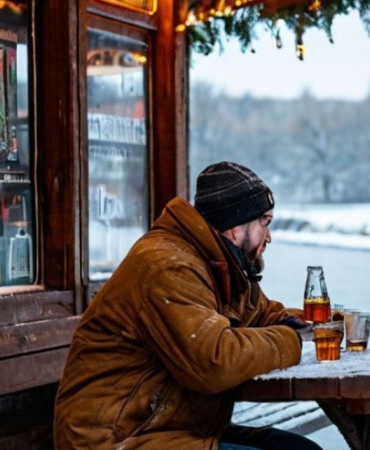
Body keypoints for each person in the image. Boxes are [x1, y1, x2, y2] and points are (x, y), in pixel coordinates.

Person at [54, 161, 322, 450]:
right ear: (236, 227)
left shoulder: (218, 266)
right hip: (116, 440)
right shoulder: (168, 266)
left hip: (170, 429)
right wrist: (292, 340)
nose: (268, 237)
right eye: (264, 223)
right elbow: (213, 361)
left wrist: (314, 323)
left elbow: (260, 314)